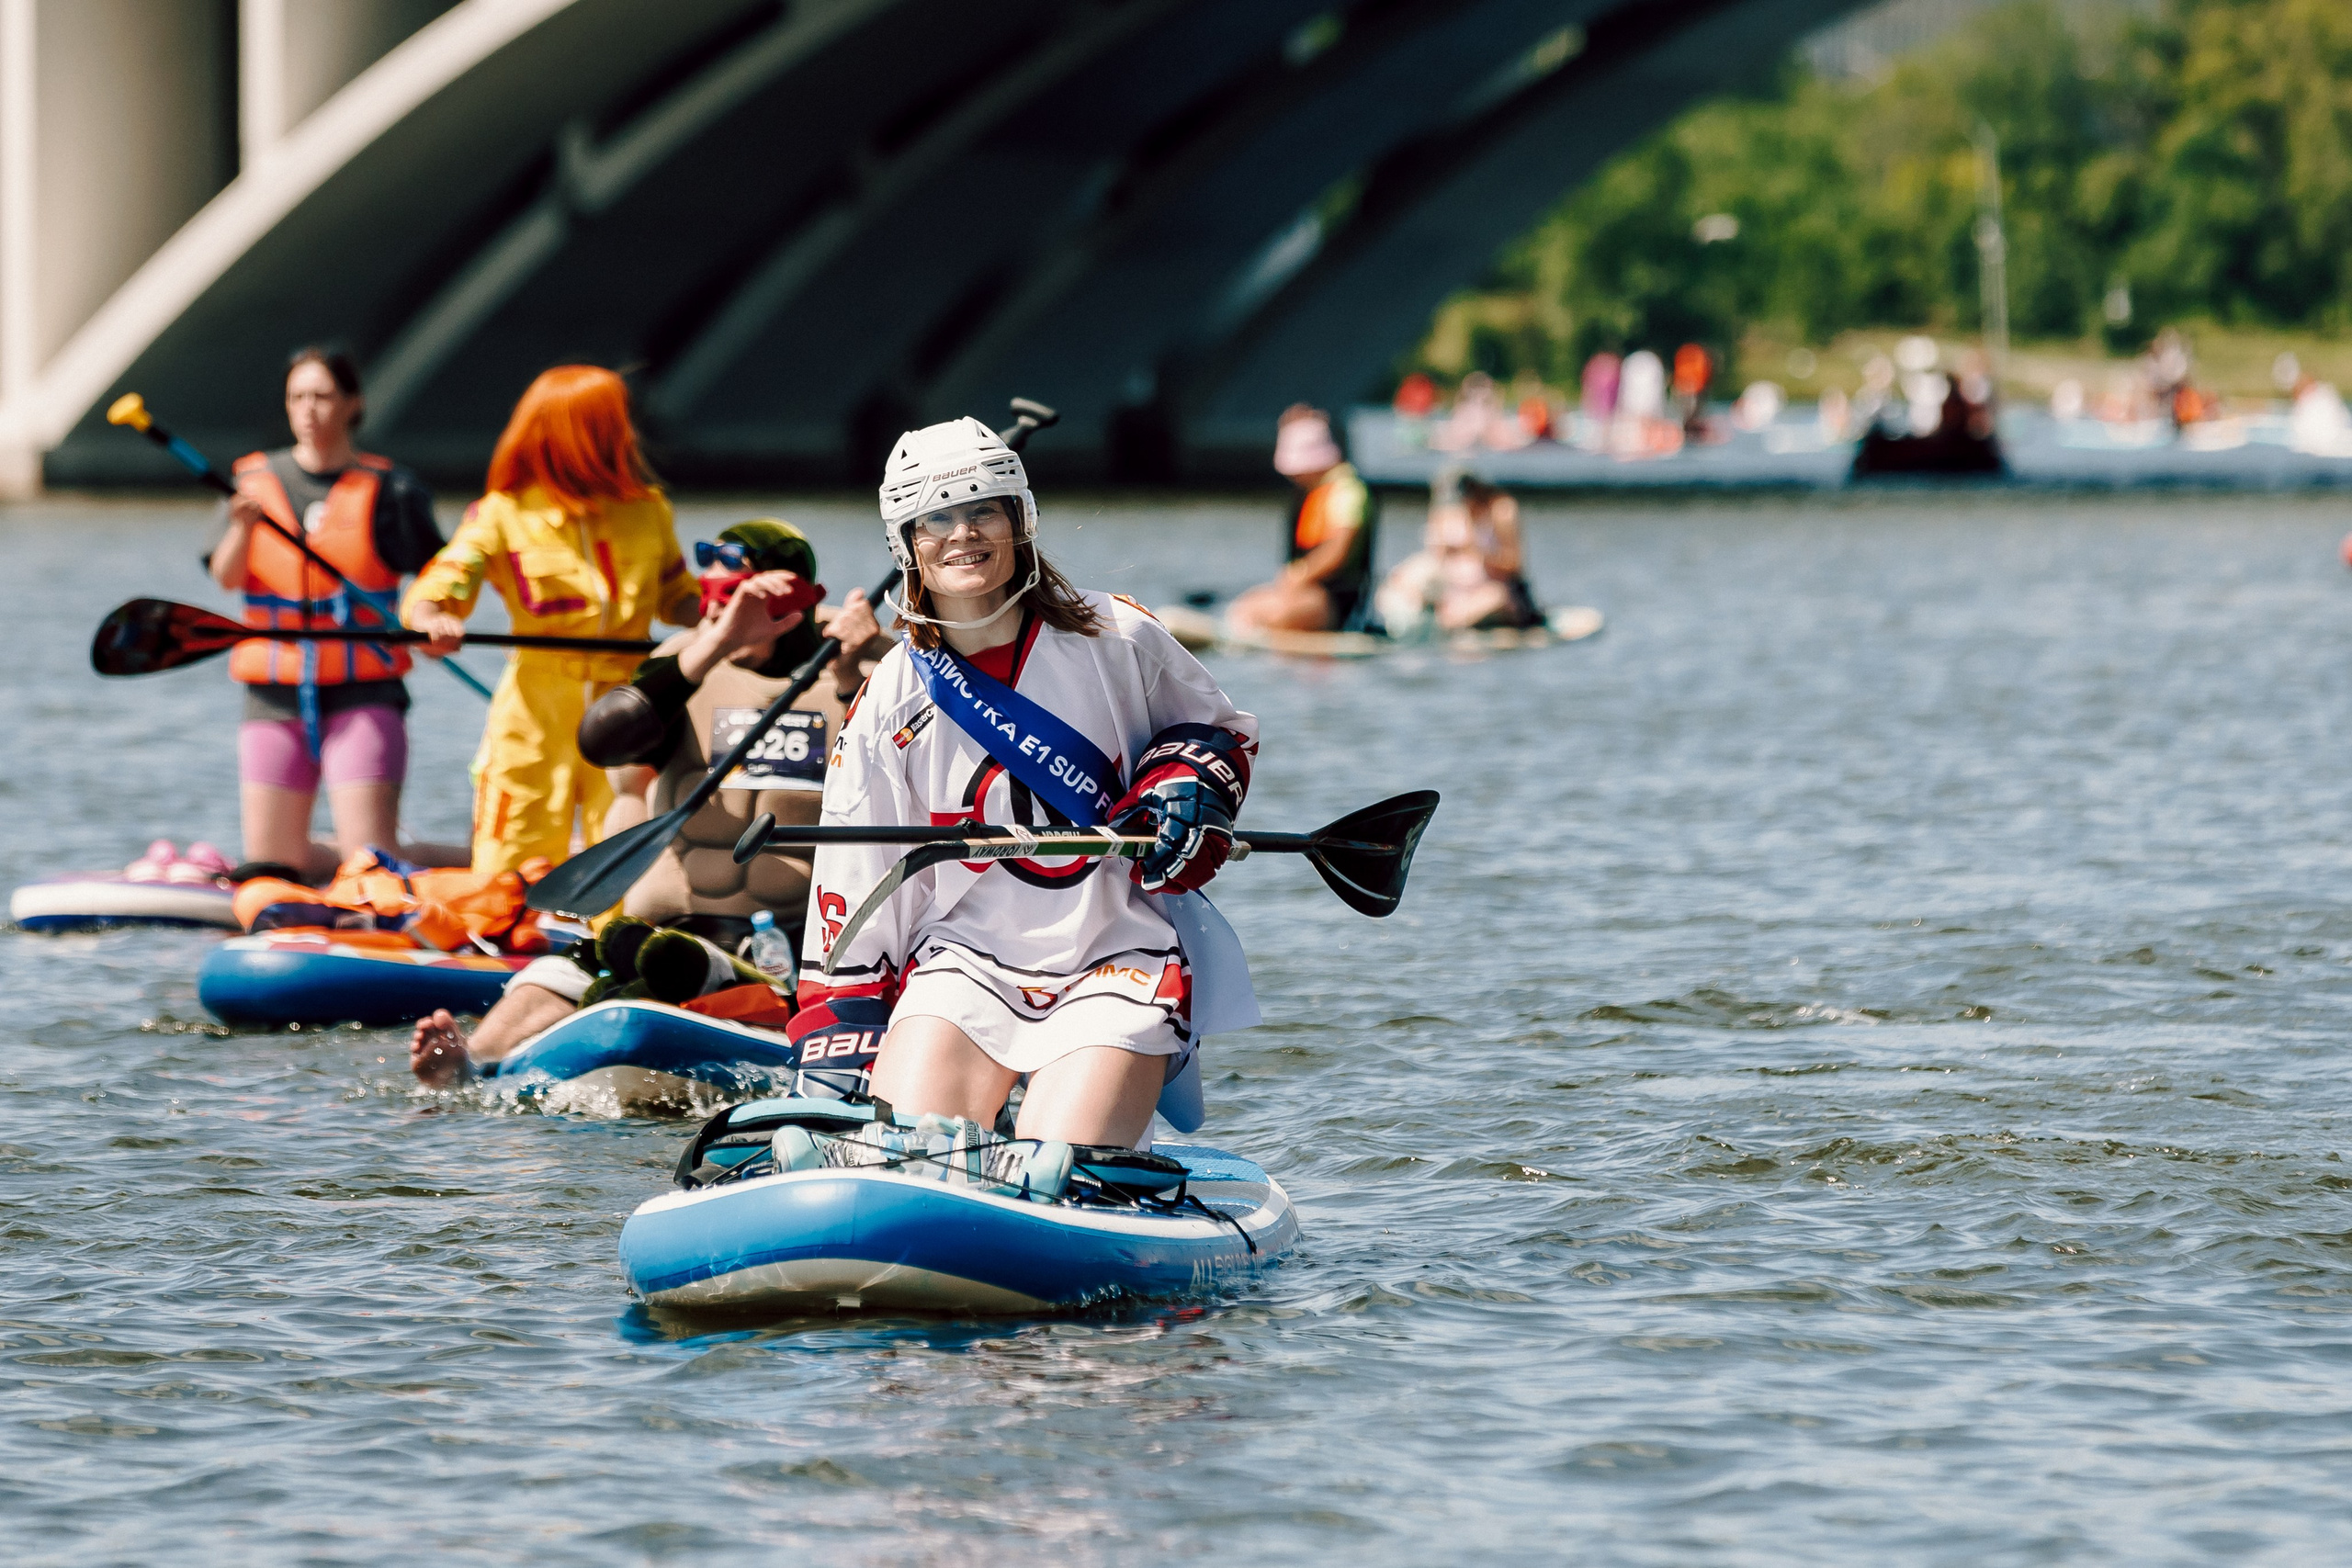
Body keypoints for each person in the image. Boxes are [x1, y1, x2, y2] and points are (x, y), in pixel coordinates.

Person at [796, 417, 1258, 1154]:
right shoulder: (890, 691)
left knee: (1058, 1160)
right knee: (905, 1155)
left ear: (1021, 521)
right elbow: (860, 871)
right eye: (936, 517)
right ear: (906, 543)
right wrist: (835, 1033)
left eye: (983, 510)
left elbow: (1218, 732)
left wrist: (1186, 787)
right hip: (964, 963)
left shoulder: (1119, 635)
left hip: (1117, 959)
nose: (962, 534)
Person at [408, 520, 884, 1085]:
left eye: (734, 600)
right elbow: (600, 742)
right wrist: (715, 644)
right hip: (676, 927)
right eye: (710, 600)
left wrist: (865, 664)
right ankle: (472, 1060)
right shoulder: (685, 665)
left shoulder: (863, 672)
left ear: (793, 602)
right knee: (567, 969)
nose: (718, 614)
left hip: (796, 941)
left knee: (669, 967)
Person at [401, 366, 700, 874]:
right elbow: (439, 587)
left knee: (628, 863)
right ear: (580, 434)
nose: (627, 433)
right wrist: (432, 619)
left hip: (630, 714)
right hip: (533, 721)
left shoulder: (648, 510)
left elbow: (678, 598)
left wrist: (736, 607)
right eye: (614, 421)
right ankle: (501, 942)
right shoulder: (503, 513)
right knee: (511, 859)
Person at [209, 345, 462, 881]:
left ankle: (470, 862)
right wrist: (240, 527)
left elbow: (439, 576)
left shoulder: (392, 490)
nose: (308, 410)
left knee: (368, 865)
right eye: (297, 397)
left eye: (322, 396)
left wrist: (433, 621)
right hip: (273, 697)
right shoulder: (250, 486)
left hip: (363, 694)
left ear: (352, 404)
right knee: (273, 866)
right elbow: (226, 578)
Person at [1226, 404, 1378, 635]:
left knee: (1278, 615)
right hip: (1306, 594)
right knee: (1244, 608)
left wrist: (1301, 575)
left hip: (1337, 603)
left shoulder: (1349, 491)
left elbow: (1339, 550)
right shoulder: (1311, 492)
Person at [1375, 469, 1543, 634]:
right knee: (1404, 580)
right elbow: (1435, 555)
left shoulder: (1501, 509)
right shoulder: (1445, 509)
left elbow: (1514, 566)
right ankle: (1415, 621)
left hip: (1492, 584)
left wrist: (1475, 552)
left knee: (1493, 599)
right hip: (1454, 584)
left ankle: (1444, 623)